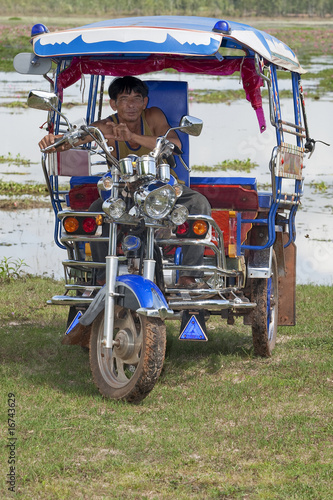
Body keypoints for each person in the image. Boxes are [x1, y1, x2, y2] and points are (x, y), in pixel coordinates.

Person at [39, 76, 211, 288]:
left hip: (161, 189)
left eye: (137, 99)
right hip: (123, 191)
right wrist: (54, 141)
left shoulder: (153, 116)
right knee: (96, 212)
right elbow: (76, 138)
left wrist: (132, 137)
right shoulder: (106, 126)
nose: (131, 105)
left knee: (199, 204)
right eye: (124, 99)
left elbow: (174, 143)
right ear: (114, 104)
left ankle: (188, 276)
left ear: (145, 102)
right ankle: (102, 278)